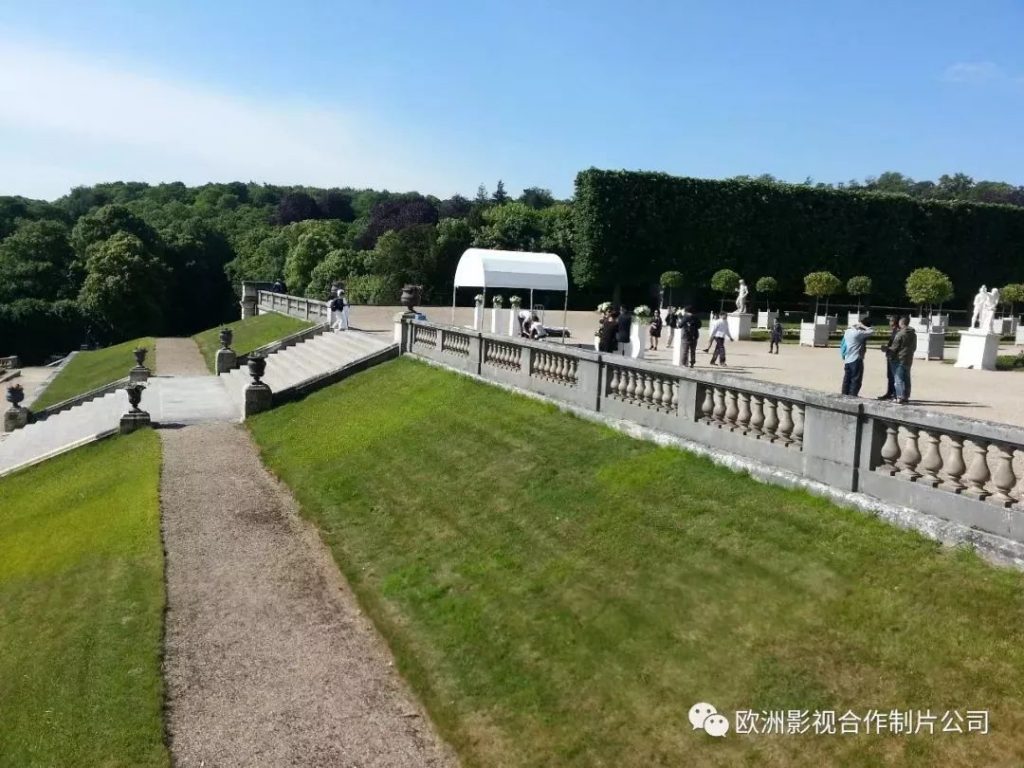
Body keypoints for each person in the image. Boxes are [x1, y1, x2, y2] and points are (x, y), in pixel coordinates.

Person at [840, 318, 874, 396]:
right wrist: (864, 326)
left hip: (848, 358)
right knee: (856, 380)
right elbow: (871, 331)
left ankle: (844, 394)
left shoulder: (848, 331)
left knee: (847, 379)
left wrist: (859, 325)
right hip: (856, 359)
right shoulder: (858, 333)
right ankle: (852, 396)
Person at [889, 316, 917, 404]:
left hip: (899, 359)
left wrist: (887, 351)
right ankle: (906, 396)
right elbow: (914, 347)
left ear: (901, 323)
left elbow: (894, 348)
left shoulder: (900, 334)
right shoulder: (913, 334)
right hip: (908, 359)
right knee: (907, 379)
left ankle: (899, 397)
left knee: (898, 379)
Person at [877, 316, 901, 401]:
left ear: (895, 322)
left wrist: (887, 348)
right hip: (890, 355)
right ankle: (889, 392)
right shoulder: (894, 330)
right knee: (889, 376)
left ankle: (894, 394)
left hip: (894, 356)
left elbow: (896, 346)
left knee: (893, 376)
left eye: (891, 321)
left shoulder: (898, 331)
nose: (889, 322)